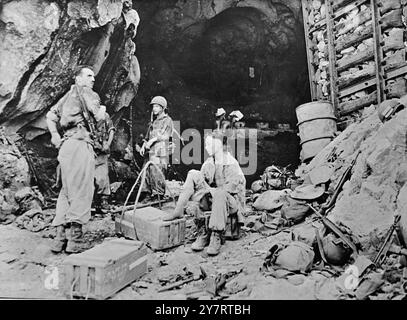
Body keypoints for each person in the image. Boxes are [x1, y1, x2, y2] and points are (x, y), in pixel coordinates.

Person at [46, 66, 106, 254]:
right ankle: (75, 240)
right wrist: (103, 109)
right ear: (78, 79)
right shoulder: (88, 93)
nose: (92, 79)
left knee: (67, 190)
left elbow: (50, 116)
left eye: (93, 77)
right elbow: (98, 116)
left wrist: (55, 135)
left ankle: (59, 238)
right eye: (88, 76)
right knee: (82, 188)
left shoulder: (67, 96)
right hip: (80, 144)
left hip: (66, 146)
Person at [162, 132, 246, 256]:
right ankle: (182, 214)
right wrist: (202, 190)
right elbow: (201, 183)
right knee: (193, 174)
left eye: (208, 144)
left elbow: (230, 189)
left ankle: (216, 235)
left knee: (220, 193)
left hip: (231, 203)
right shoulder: (209, 162)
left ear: (217, 144)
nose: (206, 147)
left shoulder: (231, 163)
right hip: (213, 198)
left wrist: (208, 191)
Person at [139, 96, 174, 200]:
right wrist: (143, 145)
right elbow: (147, 136)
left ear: (163, 108)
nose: (154, 108)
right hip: (150, 151)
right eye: (153, 106)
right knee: (146, 171)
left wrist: (152, 141)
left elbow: (166, 135)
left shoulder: (167, 120)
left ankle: (158, 194)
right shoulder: (153, 122)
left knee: (157, 172)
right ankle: (147, 194)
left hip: (160, 150)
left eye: (157, 106)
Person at [93, 109, 115, 213]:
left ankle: (103, 199)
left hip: (101, 151)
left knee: (102, 177)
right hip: (89, 150)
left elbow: (111, 130)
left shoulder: (104, 114)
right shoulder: (83, 116)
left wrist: (108, 144)